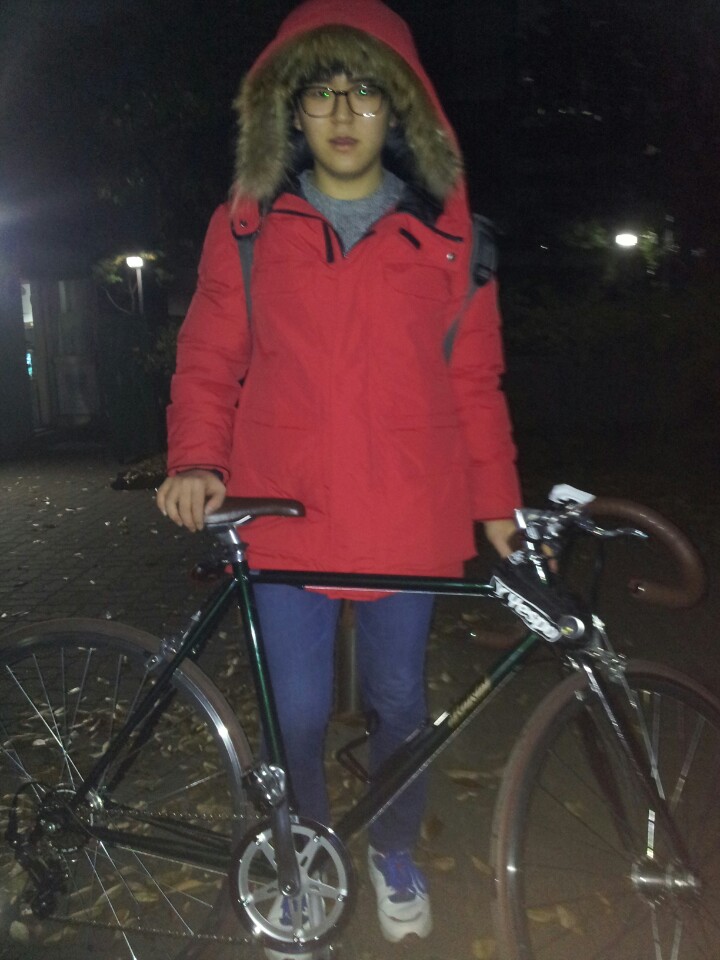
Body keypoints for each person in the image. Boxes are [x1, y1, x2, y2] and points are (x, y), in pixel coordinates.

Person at [156, 0, 521, 953]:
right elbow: (209, 356)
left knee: (401, 701)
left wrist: (497, 505)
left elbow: (474, 382)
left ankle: (394, 851)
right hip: (285, 512)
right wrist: (197, 460)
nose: (344, 111)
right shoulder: (247, 229)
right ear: (291, 110)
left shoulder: (452, 238)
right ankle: (301, 856)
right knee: (299, 711)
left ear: (398, 108)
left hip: (408, 513)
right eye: (320, 92)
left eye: (365, 90)